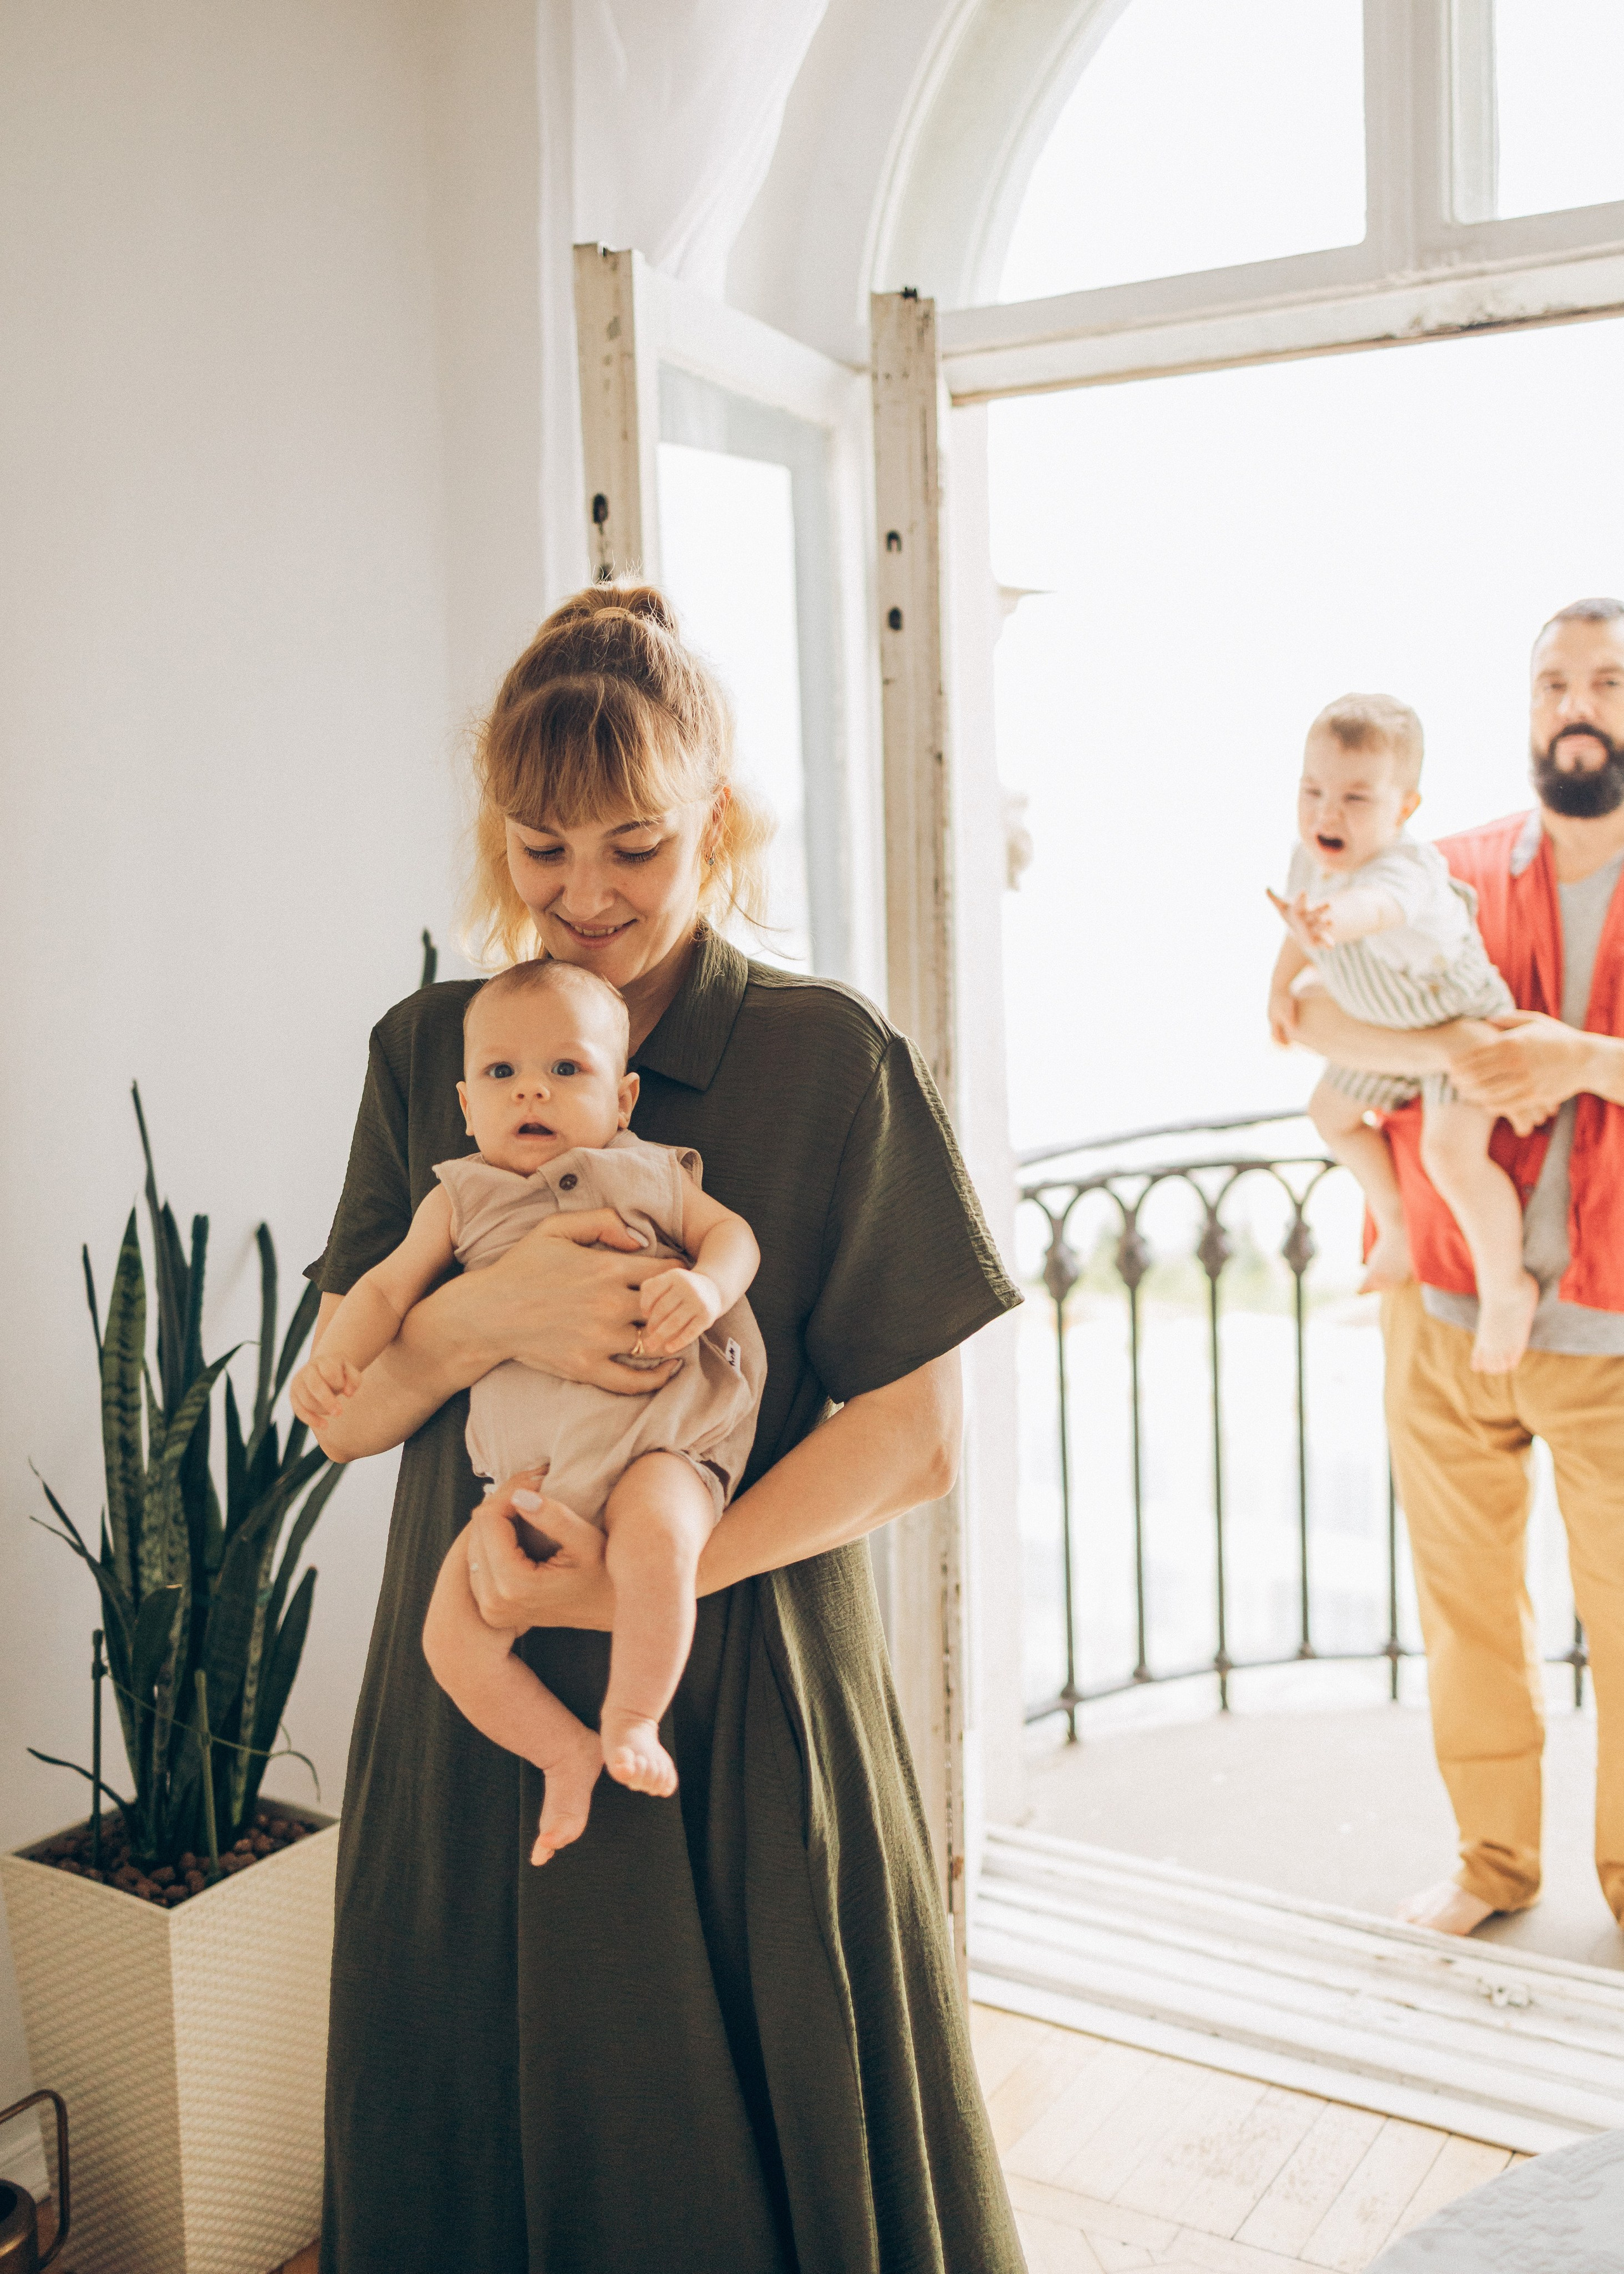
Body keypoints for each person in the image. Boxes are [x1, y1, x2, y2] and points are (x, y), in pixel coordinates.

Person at [302, 583, 1026, 2271]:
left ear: (719, 818)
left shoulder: (824, 1055)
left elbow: (917, 1441)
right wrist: (488, 1314)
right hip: (475, 1673)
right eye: (544, 850)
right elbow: (338, 1419)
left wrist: (654, 1588)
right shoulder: (435, 1053)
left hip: (743, 1684)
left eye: (636, 843)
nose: (590, 896)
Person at [1287, 597, 1624, 1940]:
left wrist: (1578, 1060)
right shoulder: (1445, 865)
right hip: (1436, 1309)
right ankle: (1492, 1865)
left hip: (1610, 1335)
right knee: (1463, 1612)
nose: (1573, 704)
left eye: (1603, 680)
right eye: (1550, 683)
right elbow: (1300, 1009)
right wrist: (1450, 1059)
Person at [289, 956, 766, 1860]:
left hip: (652, 1447)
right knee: (450, 1639)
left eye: (566, 1070)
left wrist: (706, 1290)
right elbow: (384, 1295)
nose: (530, 1093)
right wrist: (335, 1364)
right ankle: (564, 1754)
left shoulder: (649, 1174)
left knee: (661, 1543)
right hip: (525, 1484)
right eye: (501, 1074)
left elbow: (731, 1237)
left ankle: (631, 1720)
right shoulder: (458, 1199)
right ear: (466, 1106)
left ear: (622, 1100)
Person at [1267, 693, 1528, 1368]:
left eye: (1356, 798)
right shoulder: (1308, 857)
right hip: (1386, 1027)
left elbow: (1372, 908)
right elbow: (1299, 930)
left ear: (1403, 807)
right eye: (1312, 789)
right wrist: (1277, 986)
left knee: (1451, 1154)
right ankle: (1397, 1223)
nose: (1327, 812)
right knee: (1330, 1113)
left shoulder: (1407, 870)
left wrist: (1333, 919)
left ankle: (1506, 1287)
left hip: (1458, 1021)